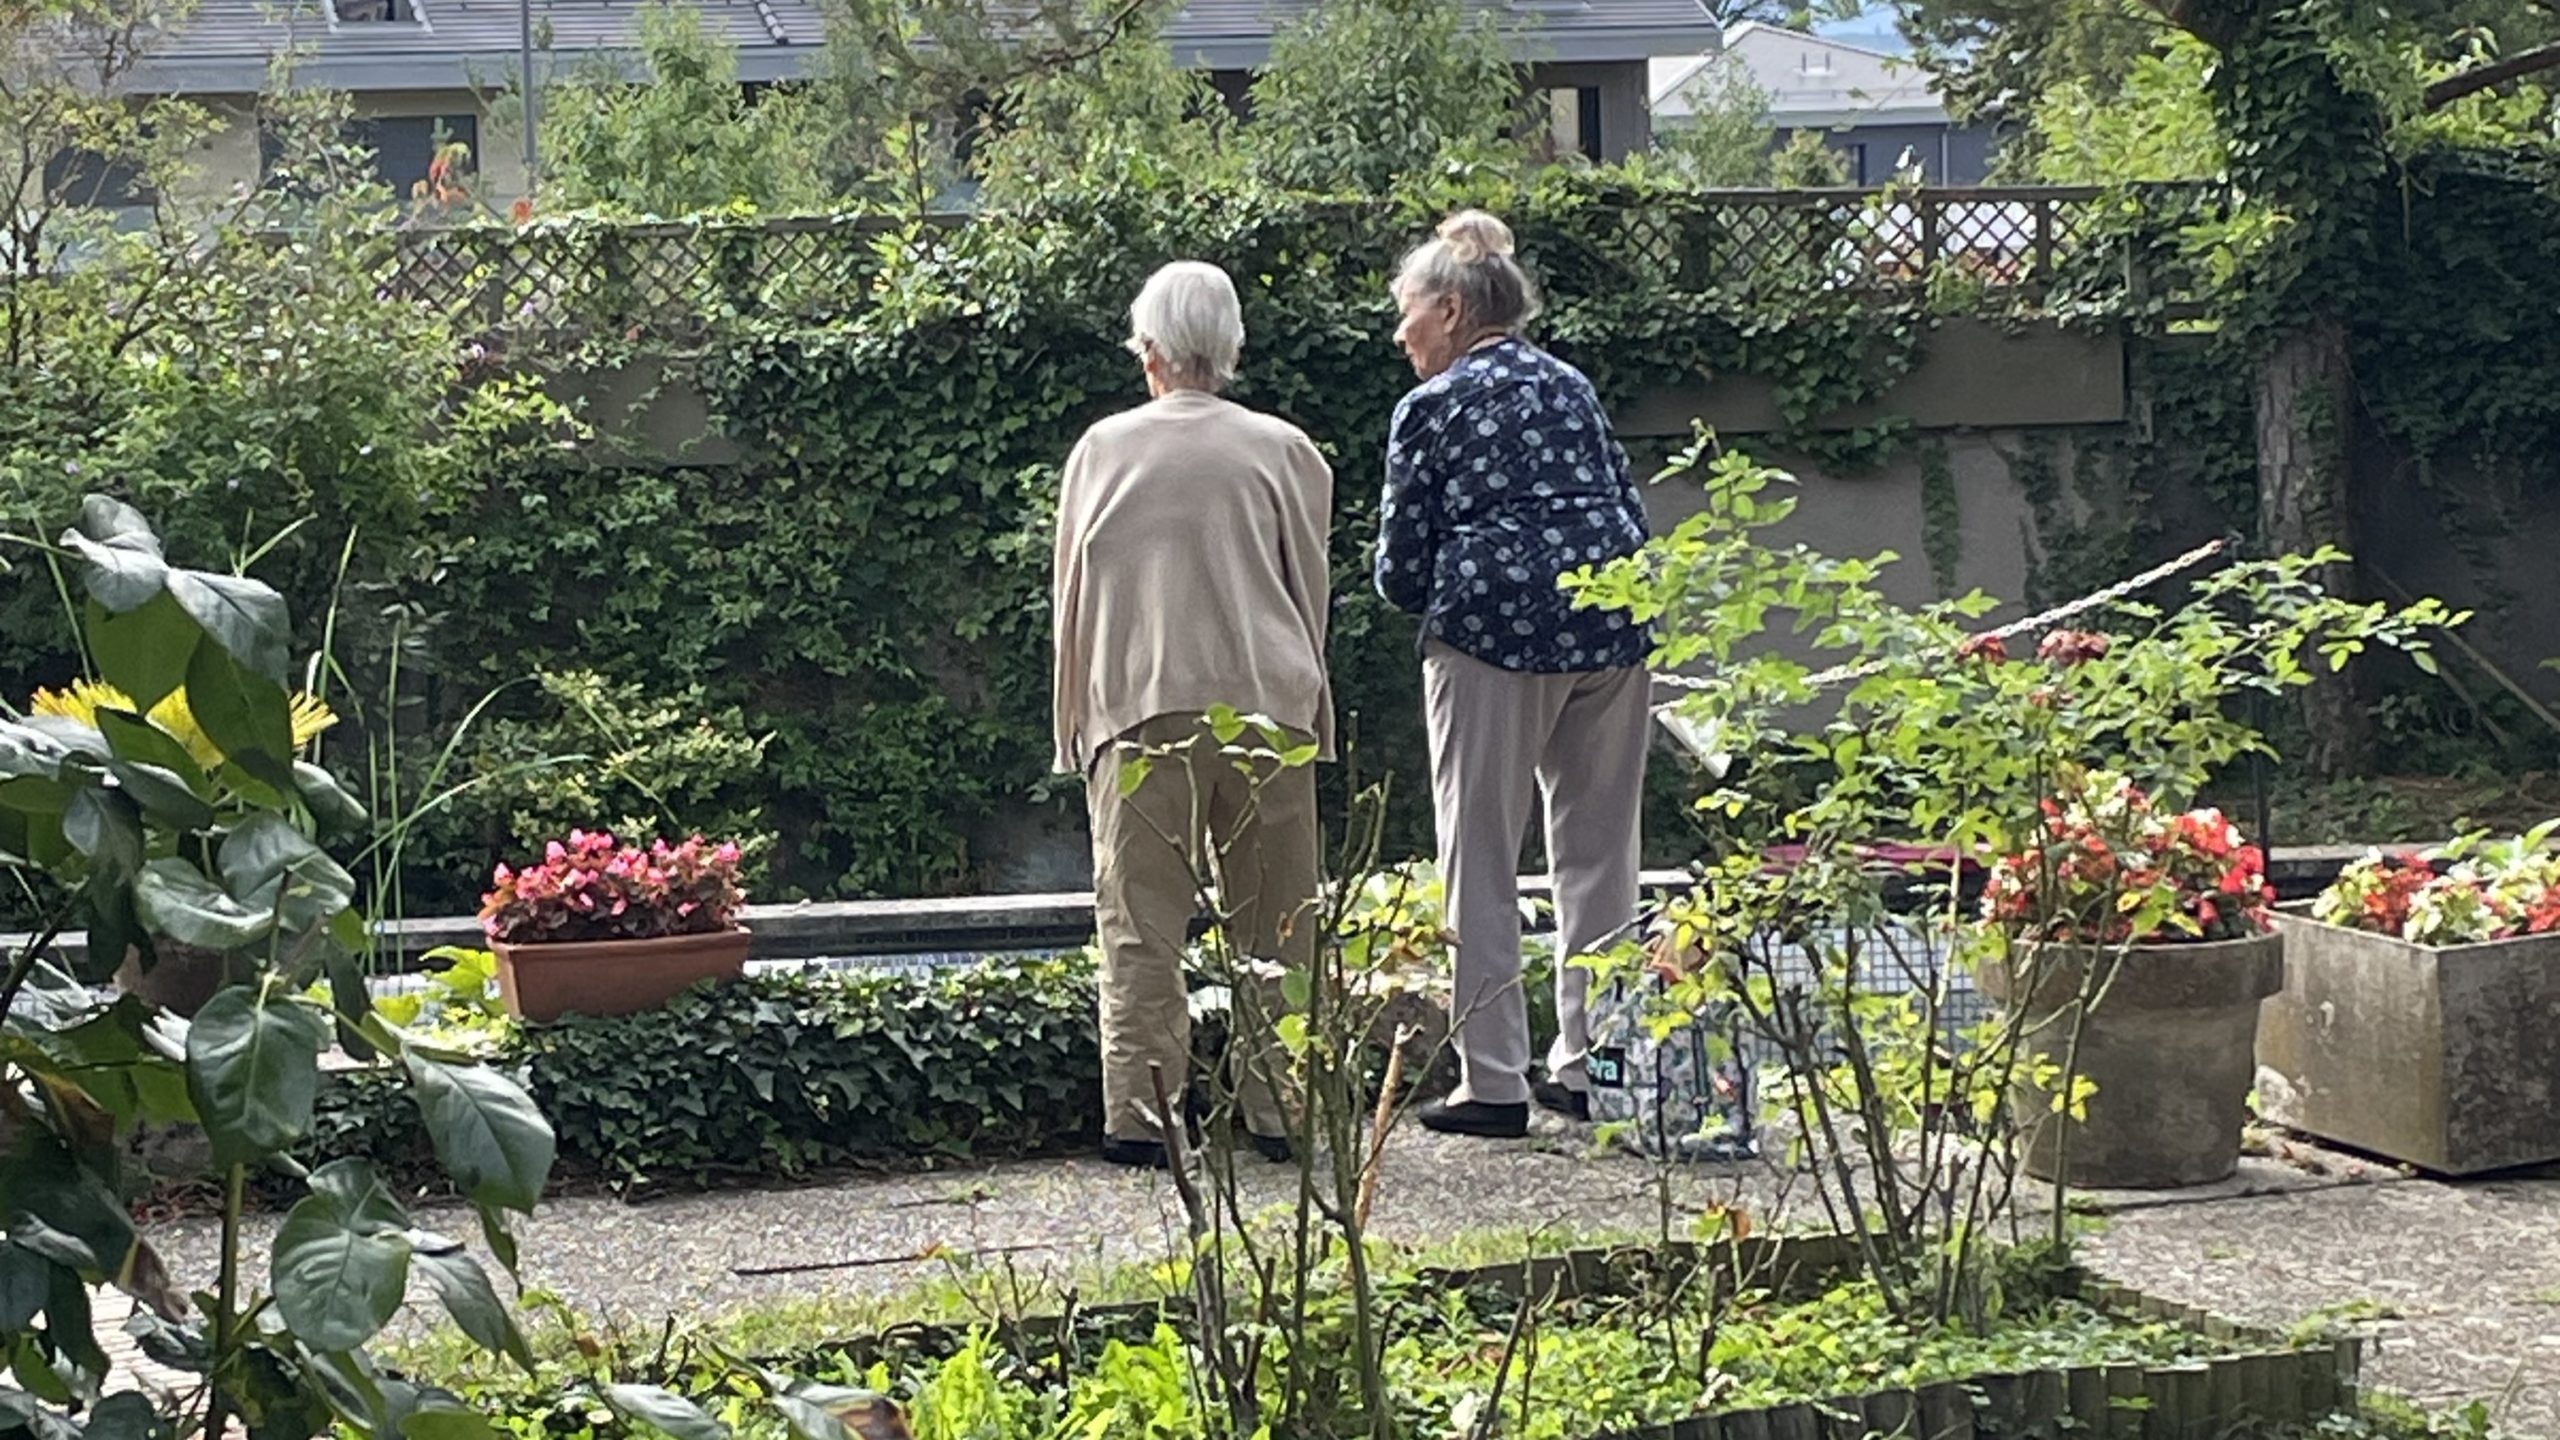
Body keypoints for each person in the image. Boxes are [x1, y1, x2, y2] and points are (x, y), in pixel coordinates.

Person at [1374, 210, 1653, 1140]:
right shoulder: (1571, 386)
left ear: (1451, 311)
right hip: (1612, 633)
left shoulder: (1434, 404)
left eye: (1406, 310)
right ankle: (1597, 1072)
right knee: (1602, 859)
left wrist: (1447, 591)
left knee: (1482, 858)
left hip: (1491, 638)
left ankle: (1493, 1083)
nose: (1399, 329)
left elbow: (1399, 567)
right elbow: (1627, 508)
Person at [1051, 260, 1334, 1170]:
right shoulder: (1290, 451)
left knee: (1140, 920)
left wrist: (1077, 724)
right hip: (1266, 709)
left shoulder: (1101, 450)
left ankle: (1142, 1116)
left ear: (1149, 353)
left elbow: (1074, 601)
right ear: (1234, 348)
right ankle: (1279, 1109)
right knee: (1278, 920)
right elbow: (1309, 594)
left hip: (1138, 711)